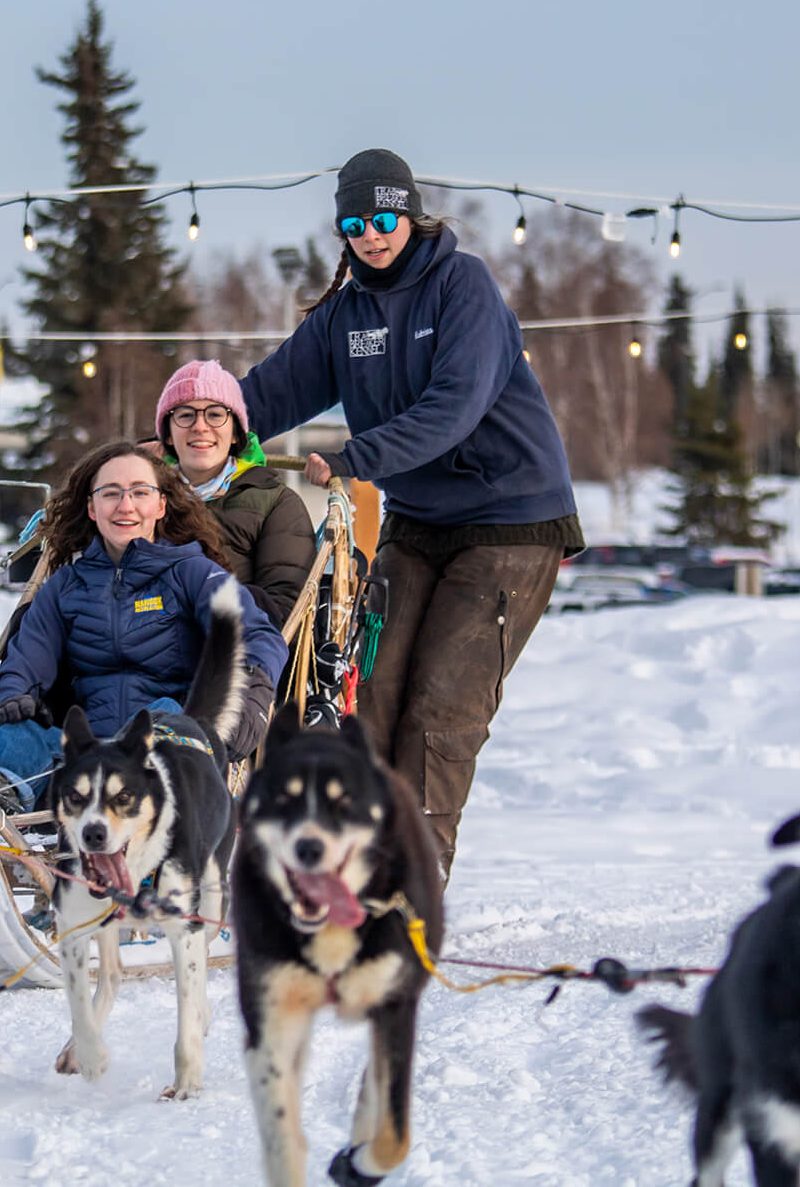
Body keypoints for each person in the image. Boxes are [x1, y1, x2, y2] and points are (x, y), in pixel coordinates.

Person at [237, 148, 585, 877]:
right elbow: (268, 394)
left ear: (411, 216)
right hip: (420, 521)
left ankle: (413, 886)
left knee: (441, 708)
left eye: (384, 219)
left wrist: (357, 456)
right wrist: (187, 428)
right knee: (369, 697)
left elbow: (456, 405)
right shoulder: (345, 316)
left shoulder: (463, 285)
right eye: (355, 224)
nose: (371, 235)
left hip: (512, 519)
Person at [0, 441, 289, 814]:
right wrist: (12, 697)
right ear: (92, 508)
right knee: (21, 730)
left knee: (165, 714)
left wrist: (247, 695)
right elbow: (25, 661)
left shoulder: (193, 574)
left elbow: (255, 636)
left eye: (140, 492)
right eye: (111, 493)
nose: (126, 506)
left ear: (161, 505)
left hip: (168, 750)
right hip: (85, 753)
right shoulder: (65, 587)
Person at [153, 359, 317, 629]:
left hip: (231, 644)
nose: (200, 426)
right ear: (168, 434)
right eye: (185, 415)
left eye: (215, 414)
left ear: (235, 433)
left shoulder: (276, 503)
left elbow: (285, 608)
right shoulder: (142, 498)